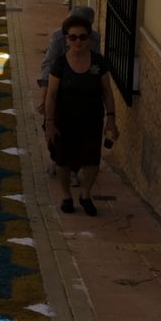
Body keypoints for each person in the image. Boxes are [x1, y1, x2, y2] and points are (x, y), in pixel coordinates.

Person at [44, 12, 120, 216]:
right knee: (63, 160)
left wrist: (111, 119)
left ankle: (86, 195)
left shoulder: (98, 62)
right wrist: (49, 123)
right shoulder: (59, 64)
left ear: (89, 38)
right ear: (67, 39)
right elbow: (51, 95)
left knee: (92, 160)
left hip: (92, 119)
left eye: (82, 37)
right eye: (73, 37)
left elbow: (107, 91)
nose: (78, 41)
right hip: (64, 119)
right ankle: (66, 196)